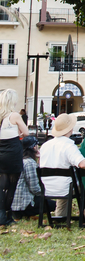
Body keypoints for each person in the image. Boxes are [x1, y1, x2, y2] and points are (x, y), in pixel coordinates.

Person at [0, 90, 28, 226]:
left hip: (1, 150)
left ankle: (0, 215)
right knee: (12, 185)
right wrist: (19, 132)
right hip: (12, 151)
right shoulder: (15, 115)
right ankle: (7, 215)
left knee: (1, 186)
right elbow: (26, 132)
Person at [11, 136, 41, 220]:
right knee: (54, 205)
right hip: (25, 204)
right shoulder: (29, 163)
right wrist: (46, 193)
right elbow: (34, 188)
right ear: (34, 147)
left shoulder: (18, 160)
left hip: (13, 204)